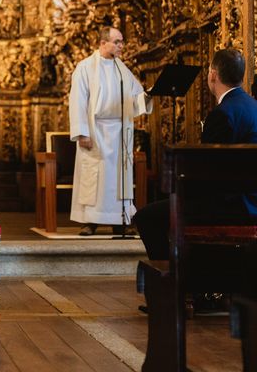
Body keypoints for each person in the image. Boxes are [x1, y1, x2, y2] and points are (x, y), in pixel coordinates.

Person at [135, 48, 257, 260]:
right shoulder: (253, 106)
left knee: (146, 217)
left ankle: (176, 278)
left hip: (232, 206)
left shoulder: (222, 114)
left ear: (213, 75)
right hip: (251, 200)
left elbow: (208, 176)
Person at [69, 26, 152, 236]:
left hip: (120, 132)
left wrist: (148, 96)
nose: (121, 46)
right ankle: (90, 221)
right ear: (102, 43)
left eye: (122, 41)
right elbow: (78, 101)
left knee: (119, 178)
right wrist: (82, 132)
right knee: (94, 178)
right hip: (96, 131)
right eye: (117, 42)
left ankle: (120, 219)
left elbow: (135, 97)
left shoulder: (122, 69)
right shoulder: (85, 67)